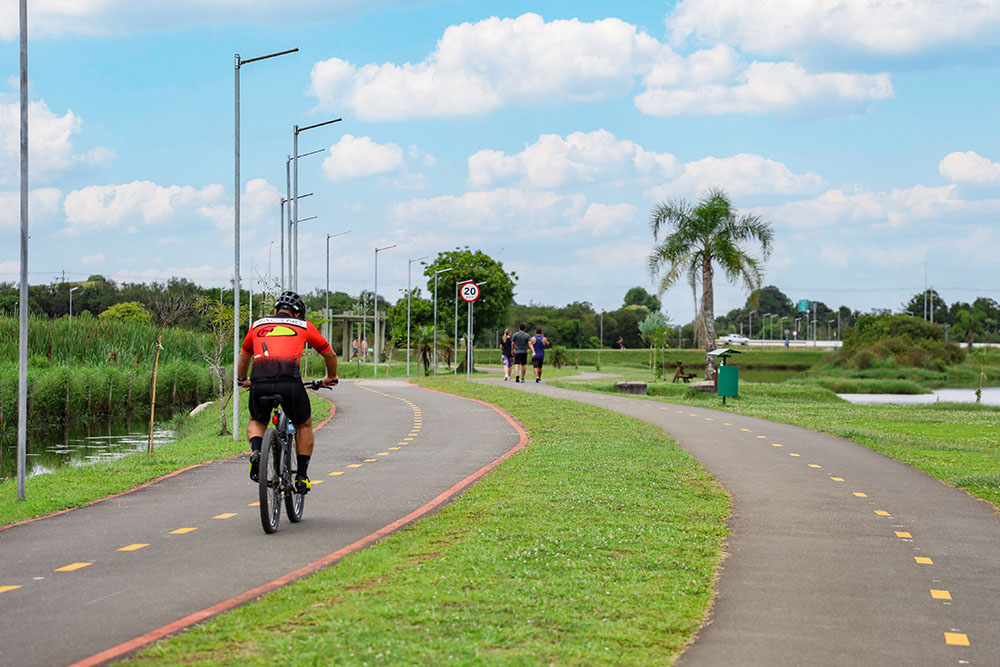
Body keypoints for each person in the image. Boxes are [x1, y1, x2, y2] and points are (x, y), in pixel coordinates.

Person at [237, 291, 338, 494]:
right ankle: (301, 477)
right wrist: (330, 377)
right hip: (290, 383)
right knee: (303, 425)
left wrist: (242, 380)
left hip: (259, 382)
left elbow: (244, 357)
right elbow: (329, 354)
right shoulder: (303, 326)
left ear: (275, 311)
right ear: (299, 314)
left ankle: (256, 452)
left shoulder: (257, 325)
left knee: (257, 421)